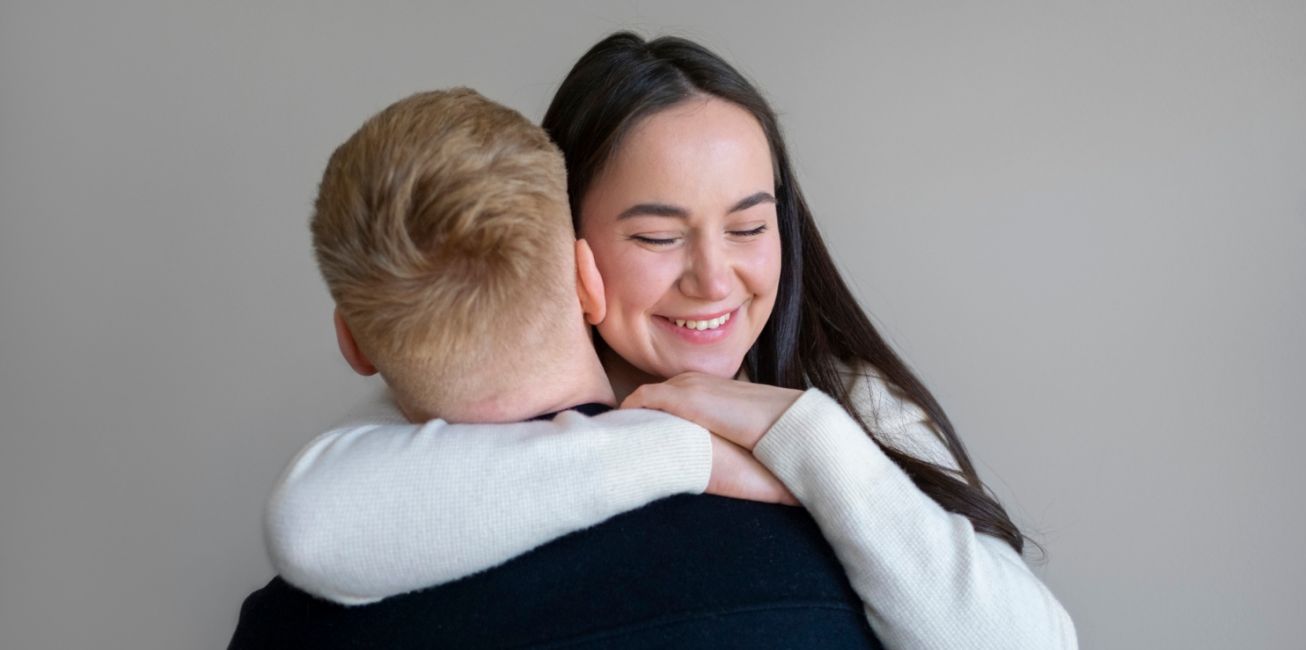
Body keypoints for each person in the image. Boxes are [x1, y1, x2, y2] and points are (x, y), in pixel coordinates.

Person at [264, 33, 1078, 649]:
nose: (714, 279)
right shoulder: (468, 410)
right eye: (658, 238)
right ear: (569, 251)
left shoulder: (851, 401)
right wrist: (681, 445)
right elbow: (316, 525)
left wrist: (807, 438)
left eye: (750, 224)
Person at [232, 86, 880, 648]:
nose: (711, 279)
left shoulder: (290, 625)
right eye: (657, 237)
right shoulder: (842, 571)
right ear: (587, 278)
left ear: (353, 342)